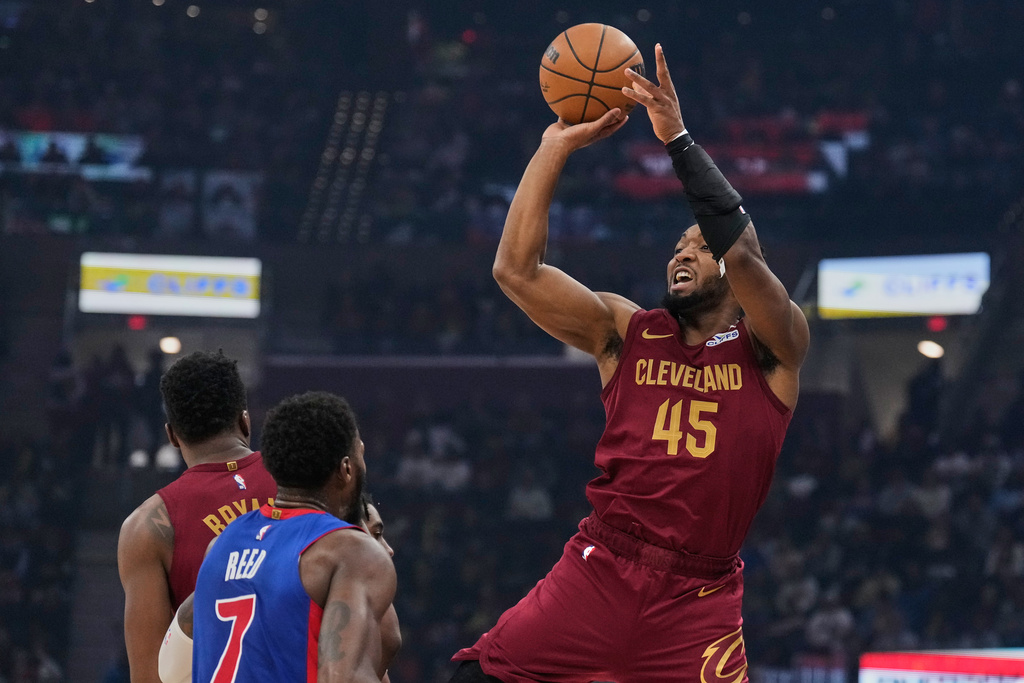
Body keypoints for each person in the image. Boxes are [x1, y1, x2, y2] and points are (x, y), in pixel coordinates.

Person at [450, 43, 809, 683]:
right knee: (477, 674)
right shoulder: (625, 331)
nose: (683, 252)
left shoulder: (773, 347)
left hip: (698, 598)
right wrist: (553, 147)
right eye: (678, 244)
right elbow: (515, 271)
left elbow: (745, 254)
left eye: (700, 246)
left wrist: (676, 139)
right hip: (601, 567)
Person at [190, 391, 398, 682]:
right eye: (360, 453)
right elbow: (343, 677)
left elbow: (169, 660)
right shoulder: (348, 551)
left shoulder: (220, 544)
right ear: (347, 469)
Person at [117, 350, 277, 683]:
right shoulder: (305, 481)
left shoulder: (147, 526)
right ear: (245, 421)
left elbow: (150, 676)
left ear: (172, 435)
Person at [157, 493, 401, 683]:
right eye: (375, 534)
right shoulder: (336, 560)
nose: (386, 549)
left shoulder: (227, 547)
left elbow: (169, 667)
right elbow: (391, 638)